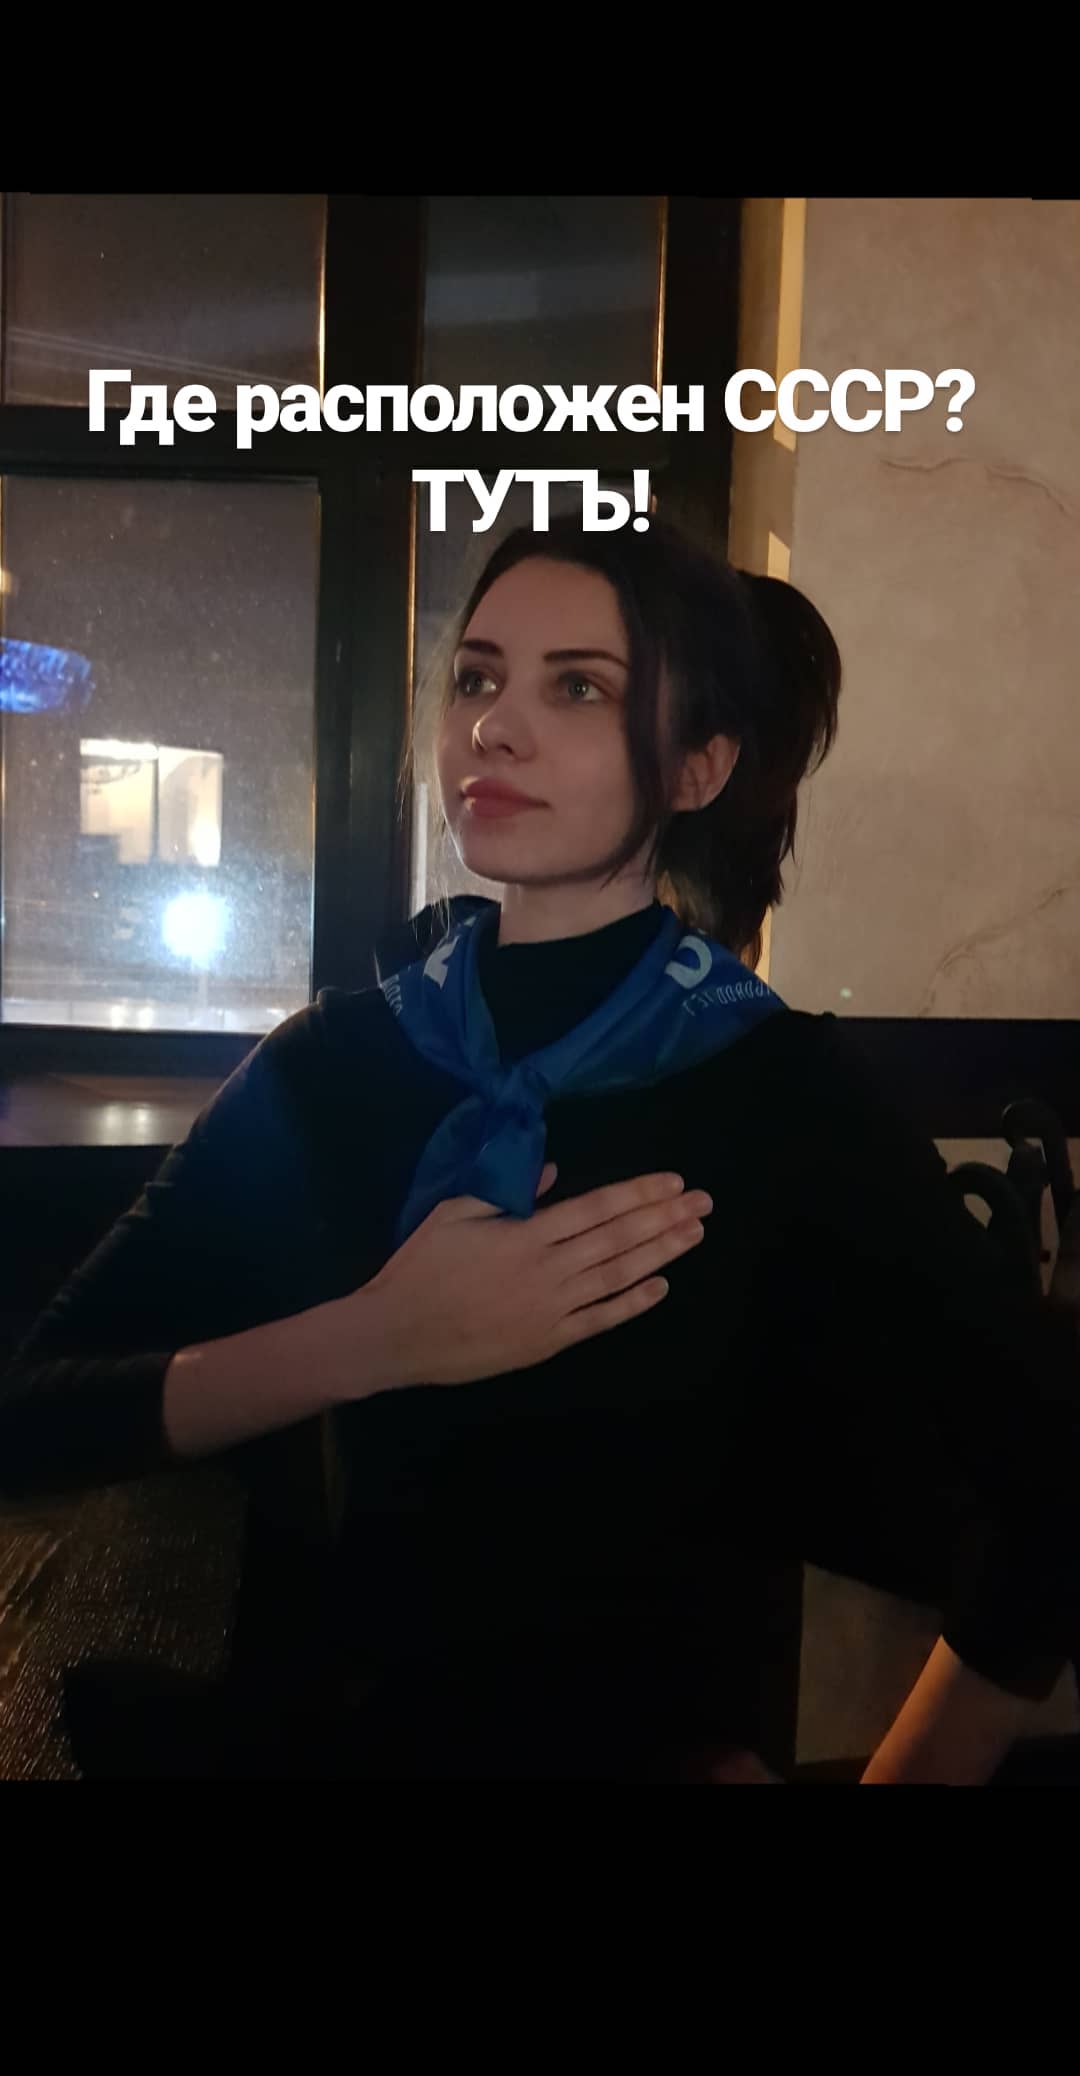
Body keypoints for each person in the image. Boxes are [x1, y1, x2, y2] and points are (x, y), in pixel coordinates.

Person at [2, 515, 1079, 1783]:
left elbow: (1047, 1484)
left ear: (697, 768)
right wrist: (375, 1339)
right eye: (478, 677)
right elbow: (34, 1415)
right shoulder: (336, 1064)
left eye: (580, 688)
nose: (495, 728)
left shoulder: (774, 1090)